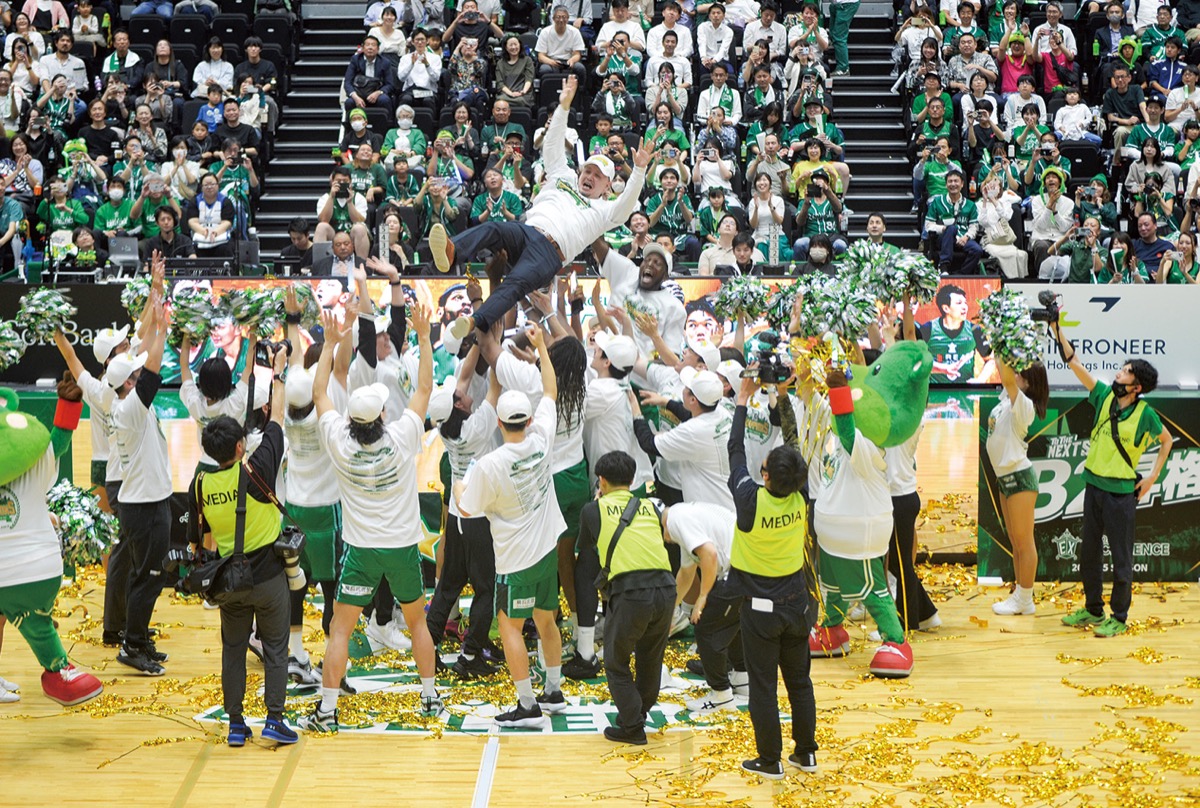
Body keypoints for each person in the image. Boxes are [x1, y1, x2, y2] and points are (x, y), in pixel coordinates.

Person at [300, 303, 442, 732]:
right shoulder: (402, 438)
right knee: (417, 623)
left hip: (361, 551)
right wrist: (423, 336)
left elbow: (320, 394)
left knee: (341, 630)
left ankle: (327, 711)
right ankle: (430, 698)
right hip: (401, 548)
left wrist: (329, 344)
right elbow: (424, 387)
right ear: (382, 415)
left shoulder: (340, 442)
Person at [430, 75, 648, 338]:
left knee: (514, 284)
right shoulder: (564, 176)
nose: (590, 177)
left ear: (607, 186)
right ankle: (452, 252)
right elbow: (552, 145)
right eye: (588, 171)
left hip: (549, 253)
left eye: (598, 176)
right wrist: (563, 107)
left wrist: (639, 170)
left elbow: (626, 205)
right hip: (528, 230)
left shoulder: (605, 211)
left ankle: (475, 322)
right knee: (494, 228)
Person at [457, 327, 568, 728]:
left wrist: (459, 485)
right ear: (529, 419)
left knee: (509, 627)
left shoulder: (490, 465)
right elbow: (551, 390)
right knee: (547, 620)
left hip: (515, 562)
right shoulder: (541, 438)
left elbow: (467, 508)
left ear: (500, 424)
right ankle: (553, 692)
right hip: (546, 551)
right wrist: (540, 349)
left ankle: (528, 705)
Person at [187, 354, 300, 747]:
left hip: (229, 581)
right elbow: (277, 420)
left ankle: (236, 724)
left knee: (233, 650)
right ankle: (274, 720)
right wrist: (279, 373)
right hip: (268, 576)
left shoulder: (200, 485)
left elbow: (197, 539)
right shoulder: (256, 470)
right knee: (276, 648)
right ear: (240, 446)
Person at [1051, 324, 1172, 637]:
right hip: (1093, 487)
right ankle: (1093, 609)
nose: (1120, 372)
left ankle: (1119, 616)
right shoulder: (1104, 395)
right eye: (1123, 368)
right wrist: (1055, 327)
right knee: (1088, 554)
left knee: (1121, 559)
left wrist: (1152, 477)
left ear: (1137, 387)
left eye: (1127, 371)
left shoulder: (1145, 413)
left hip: (1120, 495)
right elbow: (1074, 362)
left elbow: (1167, 440)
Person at [728, 374, 817, 778]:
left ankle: (770, 760)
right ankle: (806, 753)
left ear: (765, 476)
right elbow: (794, 445)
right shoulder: (801, 493)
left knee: (763, 686)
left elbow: (734, 451)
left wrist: (741, 403)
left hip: (761, 611)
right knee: (799, 682)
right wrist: (782, 397)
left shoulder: (750, 500)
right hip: (798, 603)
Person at [0, 377, 105, 707]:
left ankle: (59, 670)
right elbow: (58, 441)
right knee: (37, 624)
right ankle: (59, 672)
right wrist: (69, 404)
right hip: (38, 571)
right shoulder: (35, 460)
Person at [574, 451, 675, 745]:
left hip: (632, 592)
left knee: (616, 662)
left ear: (601, 481)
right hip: (666, 589)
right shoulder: (650, 506)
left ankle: (632, 726)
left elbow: (587, 547)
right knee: (650, 659)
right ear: (632, 481)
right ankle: (637, 714)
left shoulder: (592, 510)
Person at [107, 275, 171, 675]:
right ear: (127, 383)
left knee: (146, 575)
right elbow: (152, 370)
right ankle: (132, 645)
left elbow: (145, 362)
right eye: (134, 374)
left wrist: (156, 304)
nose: (139, 374)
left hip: (147, 501)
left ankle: (139, 636)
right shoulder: (130, 407)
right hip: (144, 507)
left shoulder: (128, 404)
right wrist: (161, 329)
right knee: (149, 577)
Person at [986, 355, 1049, 616]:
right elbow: (1004, 374)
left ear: (1027, 382)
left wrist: (1004, 345)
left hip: (1019, 478)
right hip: (1005, 478)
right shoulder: (1007, 399)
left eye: (1020, 372)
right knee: (1015, 540)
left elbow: (1007, 377)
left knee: (1024, 542)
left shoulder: (1024, 405)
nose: (1015, 374)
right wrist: (1001, 347)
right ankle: (1020, 595)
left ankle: (1025, 598)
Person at [919, 283, 992, 384]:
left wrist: (980, 380)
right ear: (946, 308)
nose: (964, 307)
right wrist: (943, 368)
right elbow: (917, 361)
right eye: (959, 303)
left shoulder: (975, 330)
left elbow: (990, 360)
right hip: (936, 391)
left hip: (965, 391)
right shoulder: (928, 329)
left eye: (965, 303)